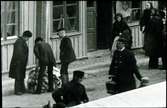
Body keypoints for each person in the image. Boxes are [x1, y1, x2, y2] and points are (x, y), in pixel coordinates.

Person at [9, 30, 32, 95]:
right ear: (25, 36)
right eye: (28, 38)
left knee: (21, 76)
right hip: (18, 62)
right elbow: (18, 54)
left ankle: (22, 89)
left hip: (21, 62)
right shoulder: (19, 42)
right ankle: (17, 90)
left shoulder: (22, 41)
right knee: (18, 76)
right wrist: (20, 62)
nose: (28, 39)